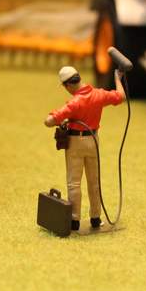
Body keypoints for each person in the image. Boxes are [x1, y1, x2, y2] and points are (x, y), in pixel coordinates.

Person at [45, 66, 125, 230]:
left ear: (68, 85)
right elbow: (120, 96)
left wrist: (59, 118)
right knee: (94, 181)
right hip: (93, 140)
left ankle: (74, 220)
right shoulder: (99, 94)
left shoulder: (74, 102)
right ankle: (96, 218)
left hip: (76, 143)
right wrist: (118, 78)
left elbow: (49, 121)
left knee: (74, 183)